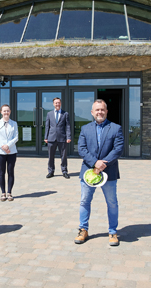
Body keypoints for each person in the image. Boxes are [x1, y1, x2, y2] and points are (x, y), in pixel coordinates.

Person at [74, 99, 124, 246]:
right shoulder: (85, 129)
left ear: (106, 111)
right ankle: (83, 229)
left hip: (109, 172)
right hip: (89, 172)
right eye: (97, 110)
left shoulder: (116, 128)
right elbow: (81, 149)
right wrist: (95, 163)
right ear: (92, 112)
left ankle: (113, 231)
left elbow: (118, 149)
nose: (100, 112)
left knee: (112, 203)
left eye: (102, 109)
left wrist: (103, 164)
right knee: (84, 201)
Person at [0, 104, 19, 201]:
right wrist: (3, 147)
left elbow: (16, 137)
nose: (6, 112)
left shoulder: (14, 123)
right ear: (1, 112)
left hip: (11, 151)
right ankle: (3, 193)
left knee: (10, 172)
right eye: (4, 111)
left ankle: (9, 192)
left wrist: (8, 146)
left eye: (7, 111)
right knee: (1, 172)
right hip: (0, 152)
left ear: (10, 112)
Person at [44, 97, 71, 179]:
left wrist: (68, 137)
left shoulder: (65, 114)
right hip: (51, 138)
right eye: (56, 103)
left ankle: (64, 171)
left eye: (58, 102)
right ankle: (51, 172)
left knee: (63, 156)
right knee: (51, 156)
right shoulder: (49, 114)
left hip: (62, 138)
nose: (57, 104)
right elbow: (47, 126)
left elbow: (68, 126)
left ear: (61, 103)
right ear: (53, 104)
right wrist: (46, 137)